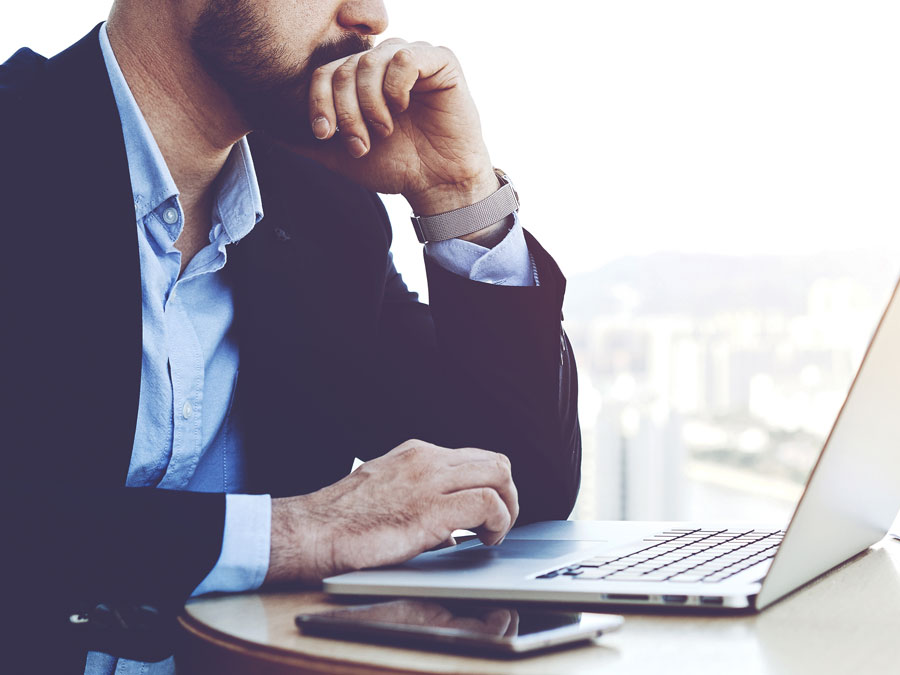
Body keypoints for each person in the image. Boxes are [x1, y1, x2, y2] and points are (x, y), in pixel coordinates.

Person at [0, 0, 580, 672]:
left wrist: (456, 192)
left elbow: (512, 488)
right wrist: (296, 532)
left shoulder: (322, 208)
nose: (372, 15)